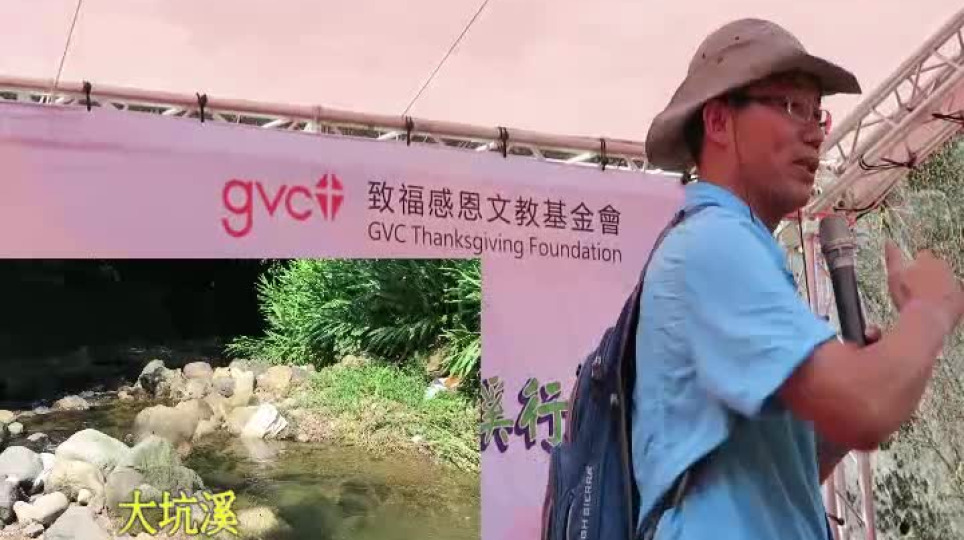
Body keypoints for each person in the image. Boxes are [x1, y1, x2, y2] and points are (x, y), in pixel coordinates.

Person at [632, 18, 964, 540]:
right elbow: (867, 409)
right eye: (791, 106)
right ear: (718, 121)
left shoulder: (735, 248)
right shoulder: (714, 244)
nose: (815, 132)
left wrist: (848, 404)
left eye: (817, 112)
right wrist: (931, 309)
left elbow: (783, 479)